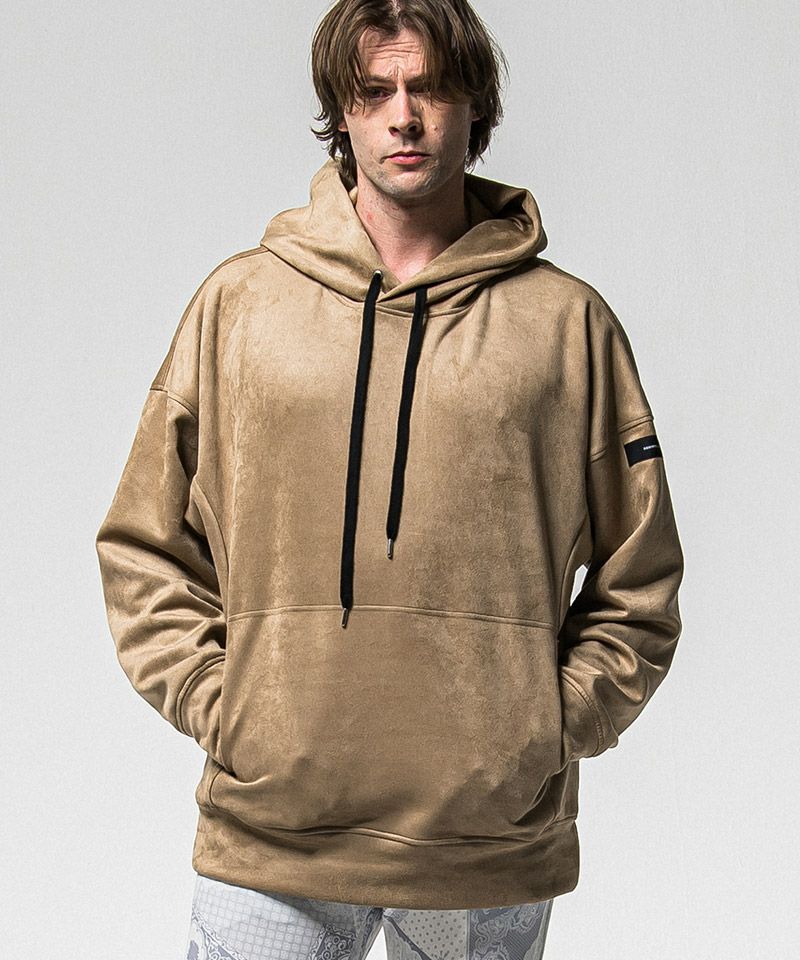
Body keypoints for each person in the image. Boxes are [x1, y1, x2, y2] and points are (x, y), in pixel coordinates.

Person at [94, 0, 684, 957]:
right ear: (343, 110)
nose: (404, 116)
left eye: (429, 88)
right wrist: (229, 710)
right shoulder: (240, 306)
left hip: (482, 848)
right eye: (374, 91)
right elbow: (142, 547)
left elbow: (640, 579)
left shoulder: (567, 327)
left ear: (474, 104)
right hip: (271, 836)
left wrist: (539, 730)